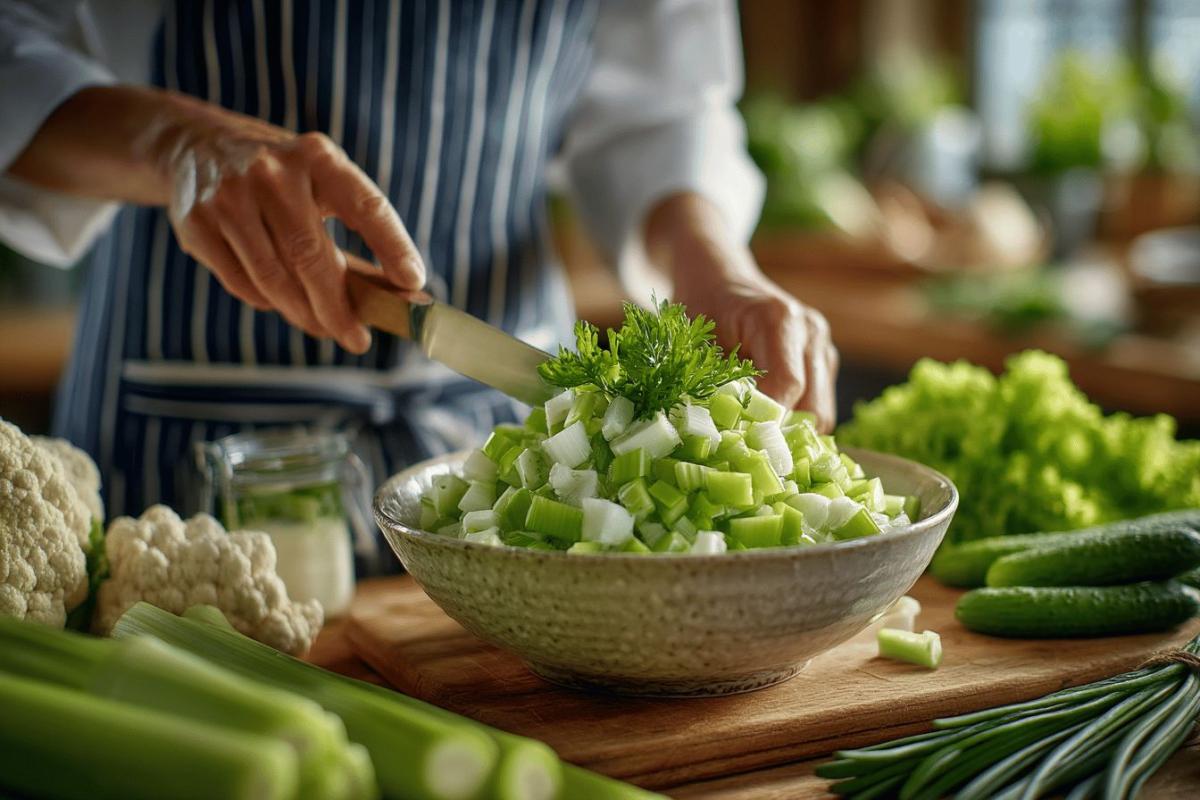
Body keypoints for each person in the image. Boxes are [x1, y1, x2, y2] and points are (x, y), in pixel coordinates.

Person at [0, 0, 836, 557]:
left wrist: (714, 272)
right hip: (185, 452)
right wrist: (174, 145)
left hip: (507, 444)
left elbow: (655, 115)